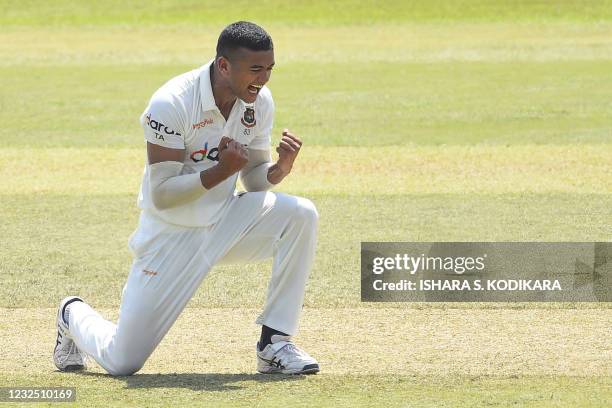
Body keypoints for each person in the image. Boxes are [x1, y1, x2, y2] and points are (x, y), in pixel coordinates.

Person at [53, 21, 320, 376]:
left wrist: (279, 169)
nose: (264, 79)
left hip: (225, 222)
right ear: (224, 65)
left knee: (301, 214)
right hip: (171, 236)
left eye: (270, 69)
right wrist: (221, 171)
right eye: (255, 69)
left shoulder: (258, 102)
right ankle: (72, 313)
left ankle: (274, 344)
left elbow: (254, 180)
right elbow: (161, 195)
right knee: (123, 362)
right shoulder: (172, 102)